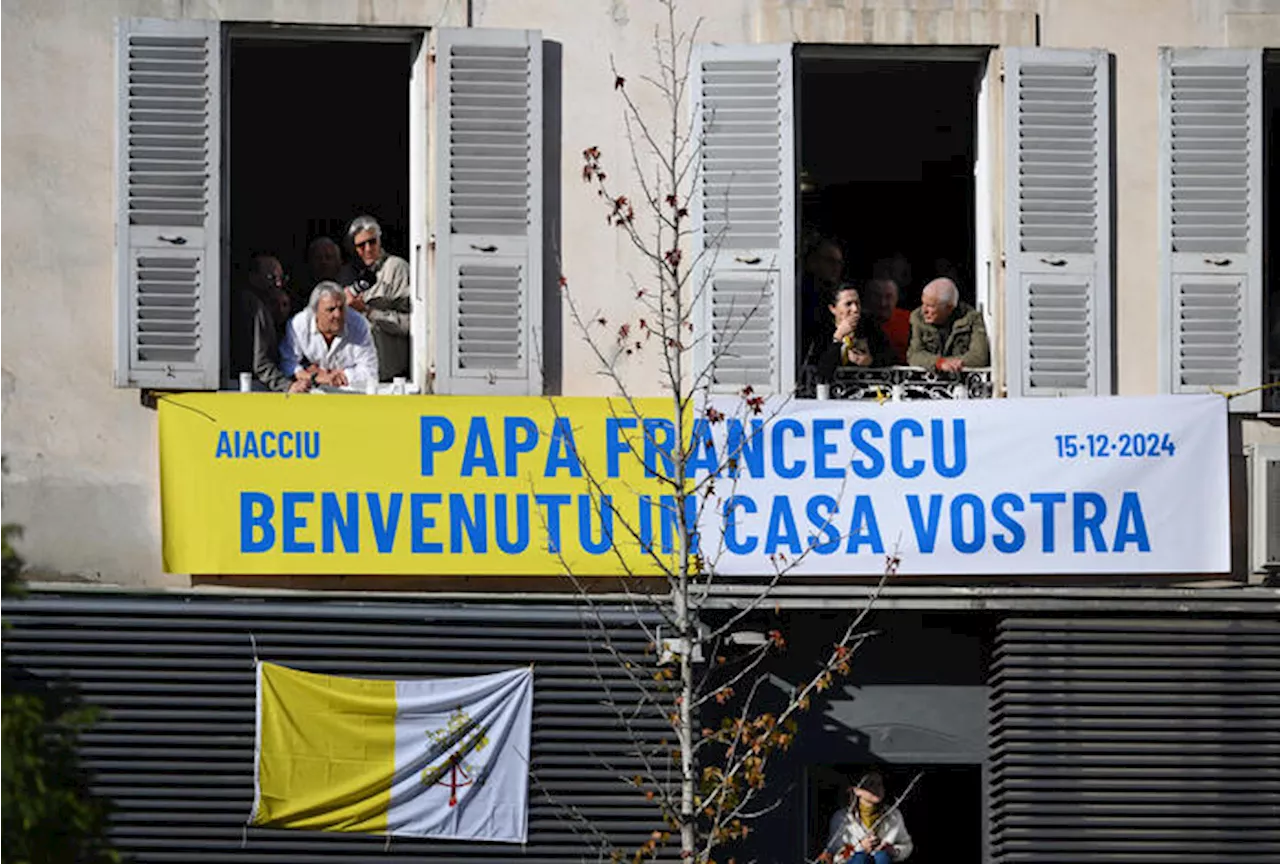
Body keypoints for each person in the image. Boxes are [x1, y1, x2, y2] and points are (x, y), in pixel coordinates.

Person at [337, 215, 410, 381]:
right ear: (355, 249)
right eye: (361, 245)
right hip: (359, 374)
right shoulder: (353, 274)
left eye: (372, 242)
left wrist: (367, 310)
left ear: (380, 240)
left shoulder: (396, 268)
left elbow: (412, 324)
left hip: (390, 376)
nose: (368, 249)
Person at [279, 282, 379, 392]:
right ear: (315, 312)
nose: (338, 315)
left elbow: (371, 370)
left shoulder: (358, 324)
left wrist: (342, 375)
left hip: (350, 392)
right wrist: (315, 377)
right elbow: (287, 363)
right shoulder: (299, 324)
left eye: (341, 308)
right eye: (331, 309)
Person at [230, 254, 297, 393]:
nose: (278, 284)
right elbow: (261, 365)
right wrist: (288, 386)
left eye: (281, 279)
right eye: (271, 278)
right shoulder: (254, 307)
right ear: (253, 278)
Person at [824, 771, 913, 863]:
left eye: (879, 784)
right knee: (860, 858)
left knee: (882, 856)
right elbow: (835, 853)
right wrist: (860, 847)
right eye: (871, 784)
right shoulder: (842, 817)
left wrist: (893, 850)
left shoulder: (893, 814)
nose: (877, 788)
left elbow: (906, 845)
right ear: (856, 790)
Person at [809, 283, 893, 382]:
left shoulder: (870, 328)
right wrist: (838, 337)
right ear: (833, 308)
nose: (855, 309)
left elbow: (890, 362)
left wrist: (870, 361)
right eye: (848, 304)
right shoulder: (822, 332)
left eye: (857, 303)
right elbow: (819, 372)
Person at [907, 277, 990, 372]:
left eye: (931, 306)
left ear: (949, 308)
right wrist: (939, 363)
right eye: (923, 303)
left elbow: (979, 357)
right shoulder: (917, 317)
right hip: (929, 381)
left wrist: (954, 364)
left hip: (963, 382)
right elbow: (914, 355)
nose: (924, 310)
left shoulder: (971, 318)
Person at [801, 237, 846, 342]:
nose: (836, 268)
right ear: (813, 262)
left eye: (839, 263)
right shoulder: (802, 295)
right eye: (830, 261)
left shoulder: (838, 296)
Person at [862, 277, 911, 365]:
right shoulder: (860, 323)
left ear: (897, 298)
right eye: (877, 296)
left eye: (888, 297)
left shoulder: (910, 320)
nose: (883, 303)